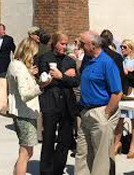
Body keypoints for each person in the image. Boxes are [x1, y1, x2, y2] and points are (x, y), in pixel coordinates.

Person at [75, 30, 122, 175]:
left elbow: (117, 93)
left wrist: (105, 114)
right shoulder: (87, 60)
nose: (79, 46)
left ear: (93, 45)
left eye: (82, 43)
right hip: (86, 112)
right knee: (82, 154)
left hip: (100, 112)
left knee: (100, 158)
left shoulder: (107, 63)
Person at [37, 32, 79, 175]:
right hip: (50, 102)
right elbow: (43, 80)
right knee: (48, 138)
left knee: (65, 139)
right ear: (54, 43)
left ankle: (57, 169)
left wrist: (62, 76)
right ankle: (45, 170)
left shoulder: (70, 61)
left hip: (67, 104)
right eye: (62, 43)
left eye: (66, 44)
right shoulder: (44, 58)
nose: (65, 46)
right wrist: (64, 76)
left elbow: (75, 82)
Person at [6, 37, 41, 175]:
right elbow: (25, 94)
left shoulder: (18, 65)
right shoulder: (19, 67)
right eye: (34, 54)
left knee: (26, 151)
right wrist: (41, 86)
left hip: (23, 112)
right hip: (24, 113)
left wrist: (30, 74)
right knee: (25, 153)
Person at [113, 39, 134, 159]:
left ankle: (132, 145)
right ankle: (117, 143)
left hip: (132, 94)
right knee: (120, 119)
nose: (122, 49)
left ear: (131, 48)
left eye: (125, 47)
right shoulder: (119, 60)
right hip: (122, 93)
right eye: (121, 47)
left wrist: (128, 72)